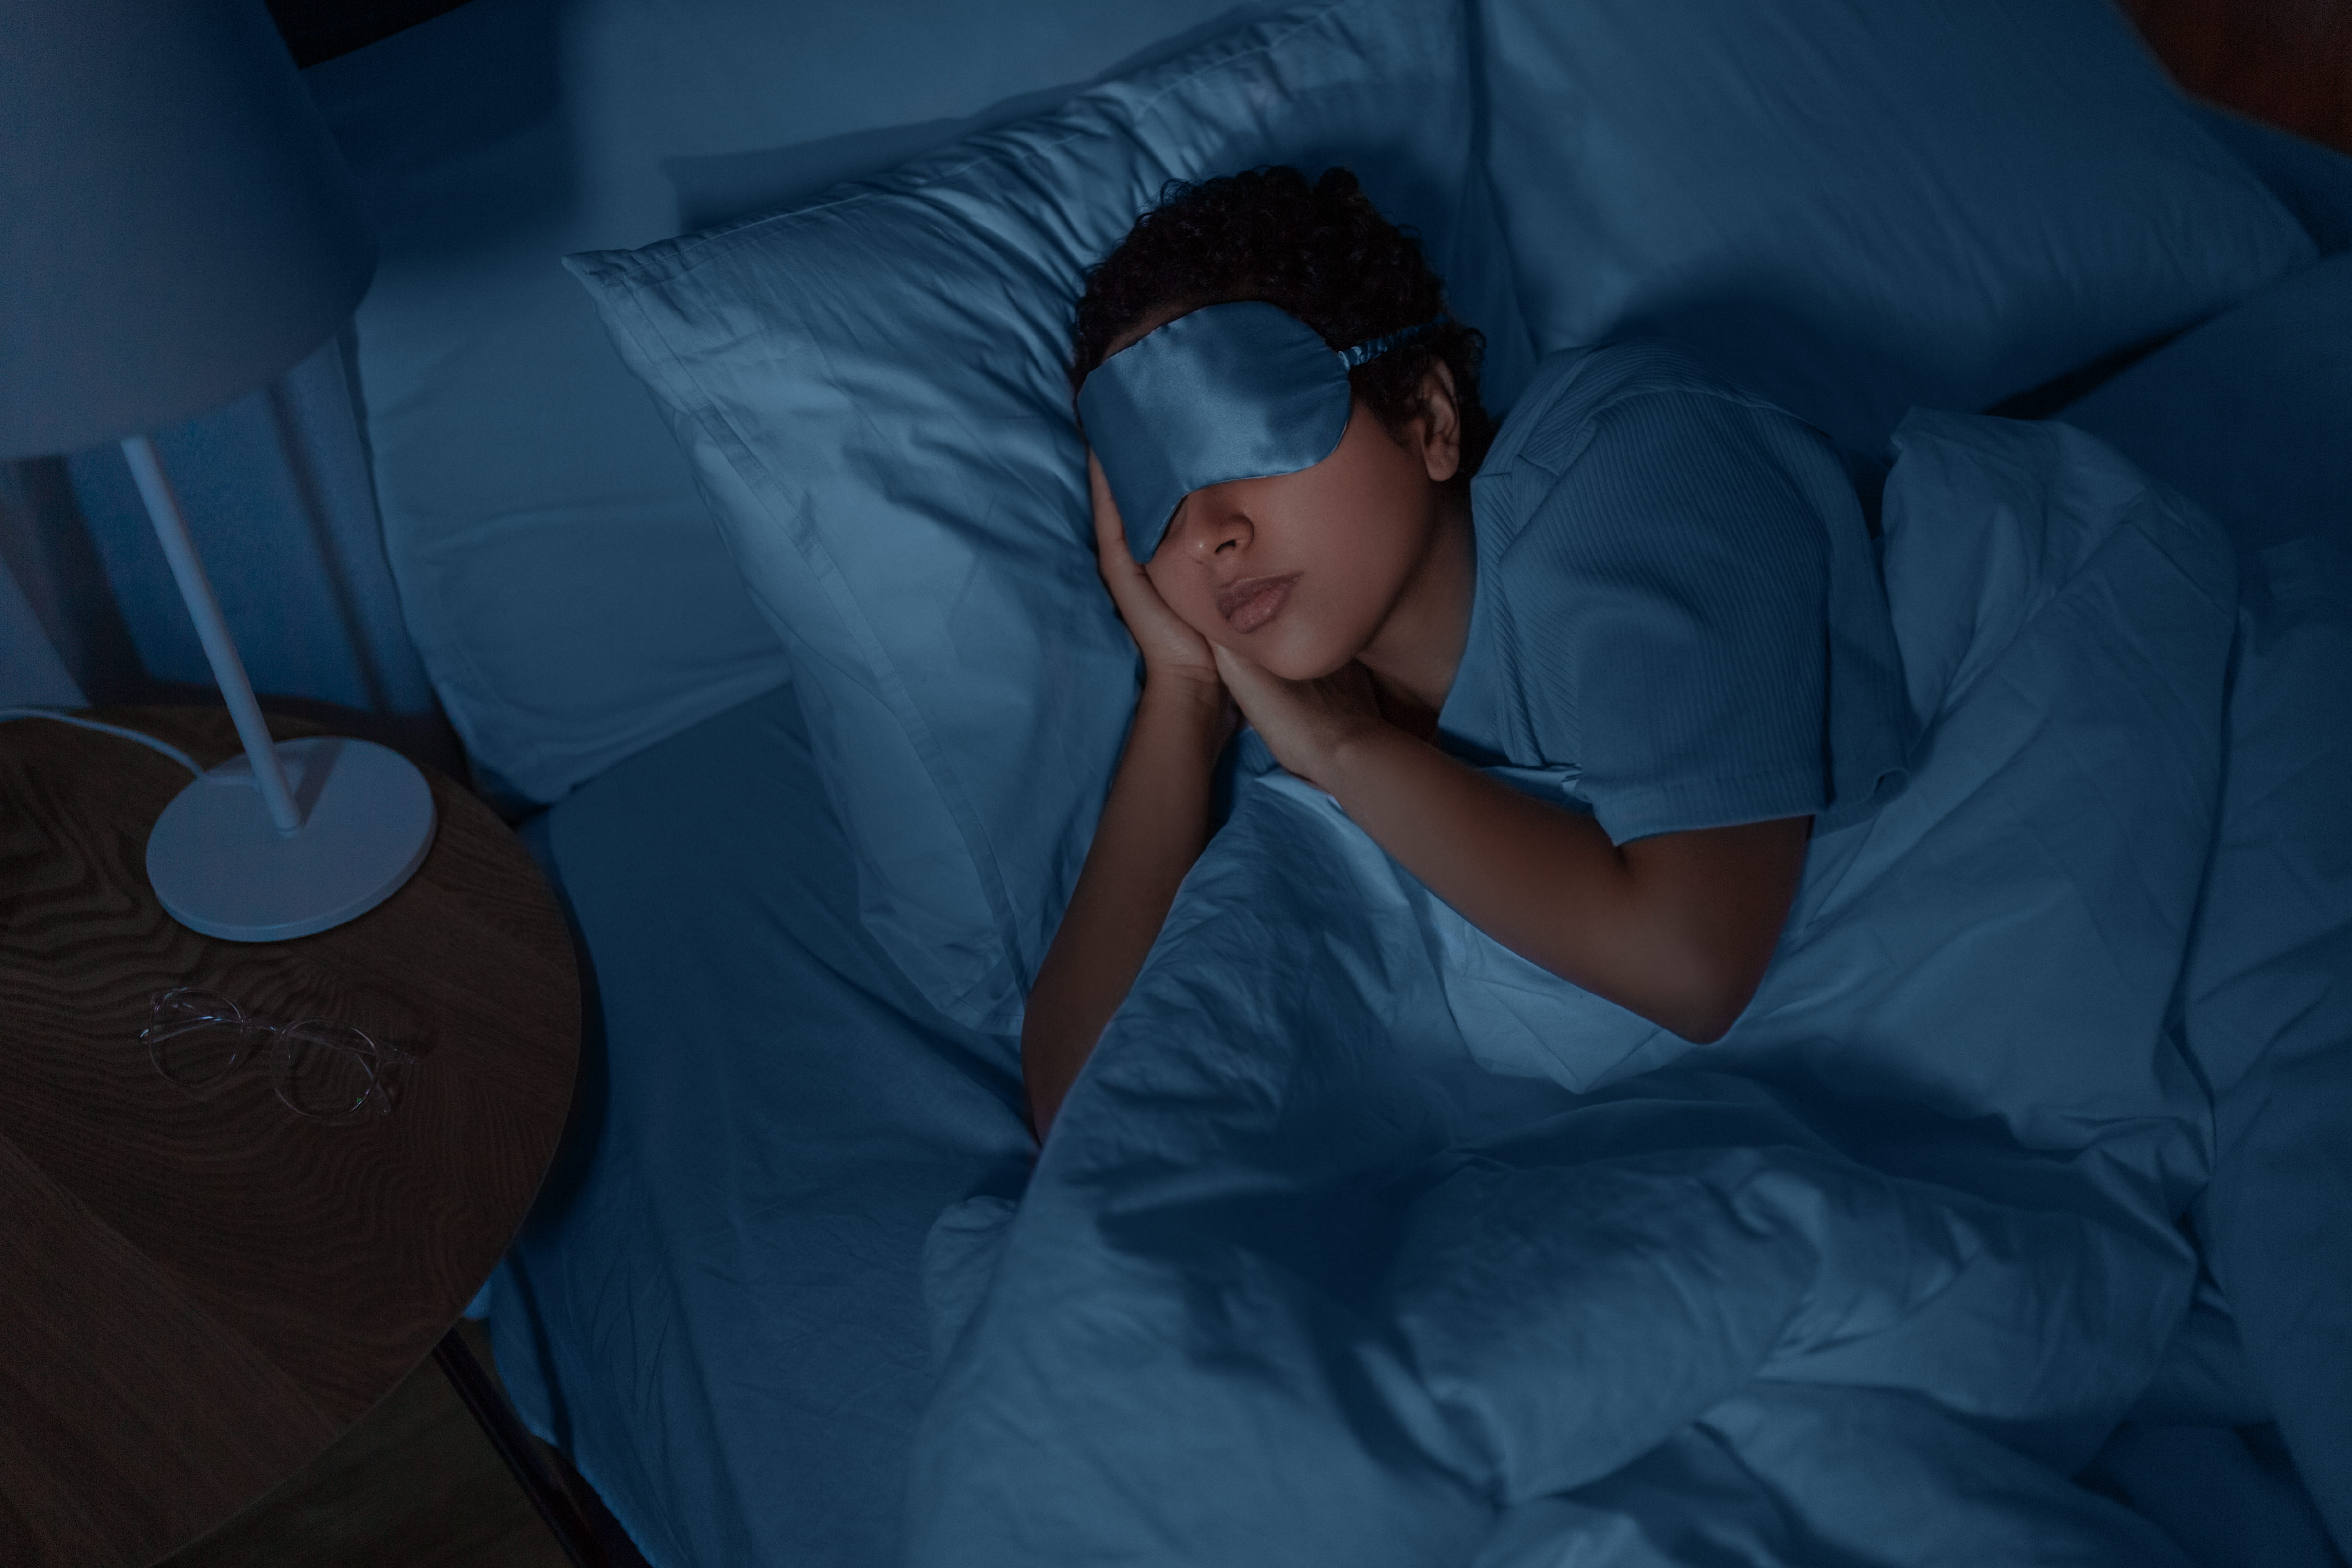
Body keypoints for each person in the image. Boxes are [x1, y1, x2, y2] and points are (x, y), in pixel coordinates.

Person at [1021, 166, 1912, 1137]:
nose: (1207, 536)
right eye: (1156, 501)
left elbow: (1694, 966)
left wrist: (1350, 755)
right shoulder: (1278, 733)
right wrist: (1184, 694)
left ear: (1429, 418)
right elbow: (1083, 1111)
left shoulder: (1632, 459)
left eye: (1245, 438)